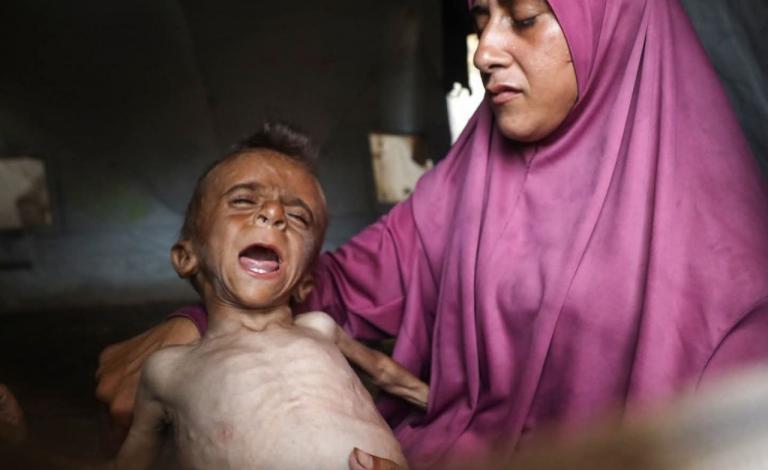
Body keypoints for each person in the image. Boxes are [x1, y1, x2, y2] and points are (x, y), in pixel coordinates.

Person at [96, 0, 768, 468]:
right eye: (482, 18)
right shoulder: (468, 181)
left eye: (525, 18)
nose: (486, 49)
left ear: (617, 29)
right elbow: (331, 283)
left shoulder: (727, 268)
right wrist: (200, 321)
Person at [113, 123, 427, 470]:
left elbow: (385, 372)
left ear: (306, 282)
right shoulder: (167, 370)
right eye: (244, 201)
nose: (274, 214)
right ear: (187, 257)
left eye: (296, 216)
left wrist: (452, 403)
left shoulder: (320, 328)